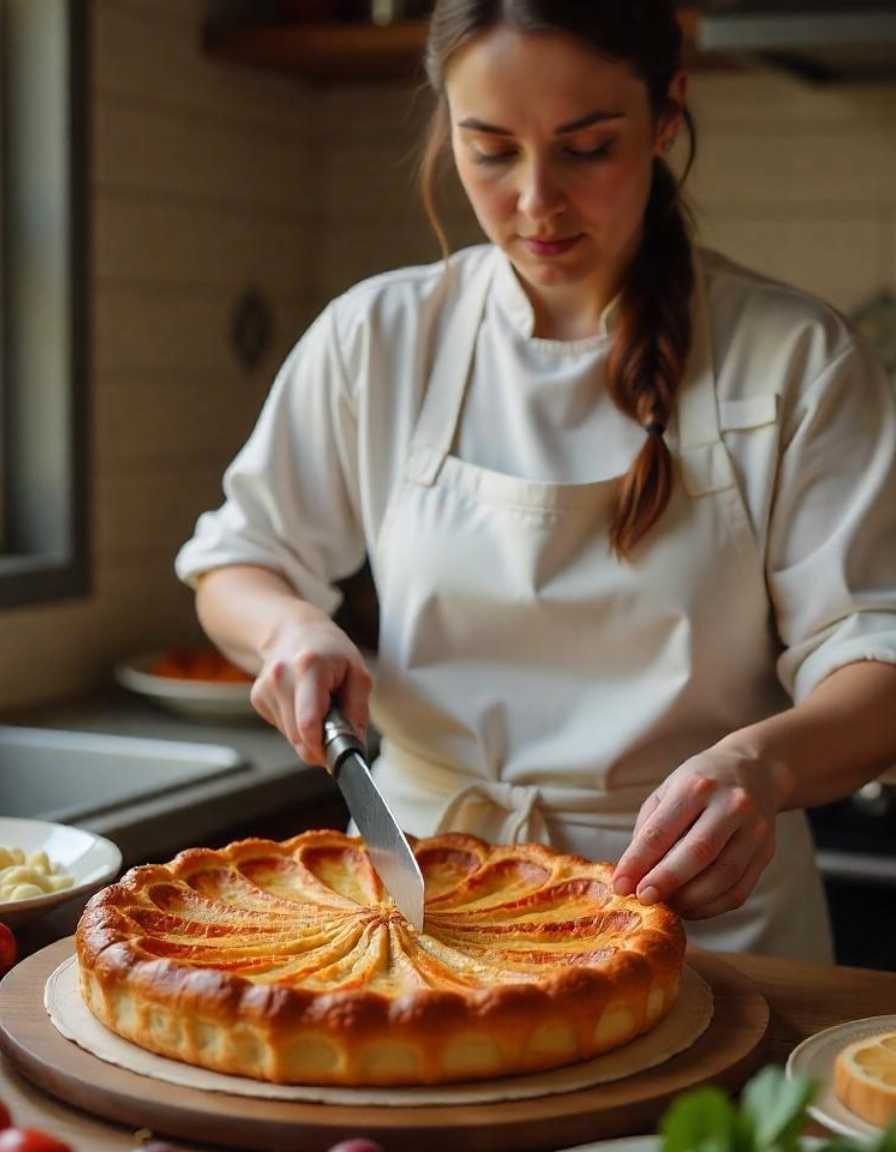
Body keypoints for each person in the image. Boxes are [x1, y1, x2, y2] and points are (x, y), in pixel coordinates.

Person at [175, 0, 896, 964]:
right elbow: (238, 563)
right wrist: (290, 627)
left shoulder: (797, 360)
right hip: (424, 902)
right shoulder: (379, 338)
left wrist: (759, 768)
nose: (536, 202)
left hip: (700, 911)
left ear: (667, 115)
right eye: (491, 151)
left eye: (587, 148)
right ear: (446, 126)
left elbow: (877, 665)